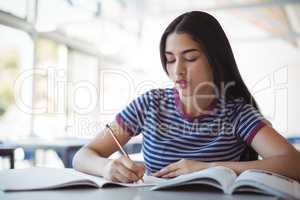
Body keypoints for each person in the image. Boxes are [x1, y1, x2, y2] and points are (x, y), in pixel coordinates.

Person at [73, 11, 300, 183]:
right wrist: (106, 168)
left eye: (190, 58)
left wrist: (210, 167)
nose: (177, 71)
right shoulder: (150, 104)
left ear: (215, 59)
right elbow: (83, 156)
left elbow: (294, 163)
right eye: (170, 59)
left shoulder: (236, 112)